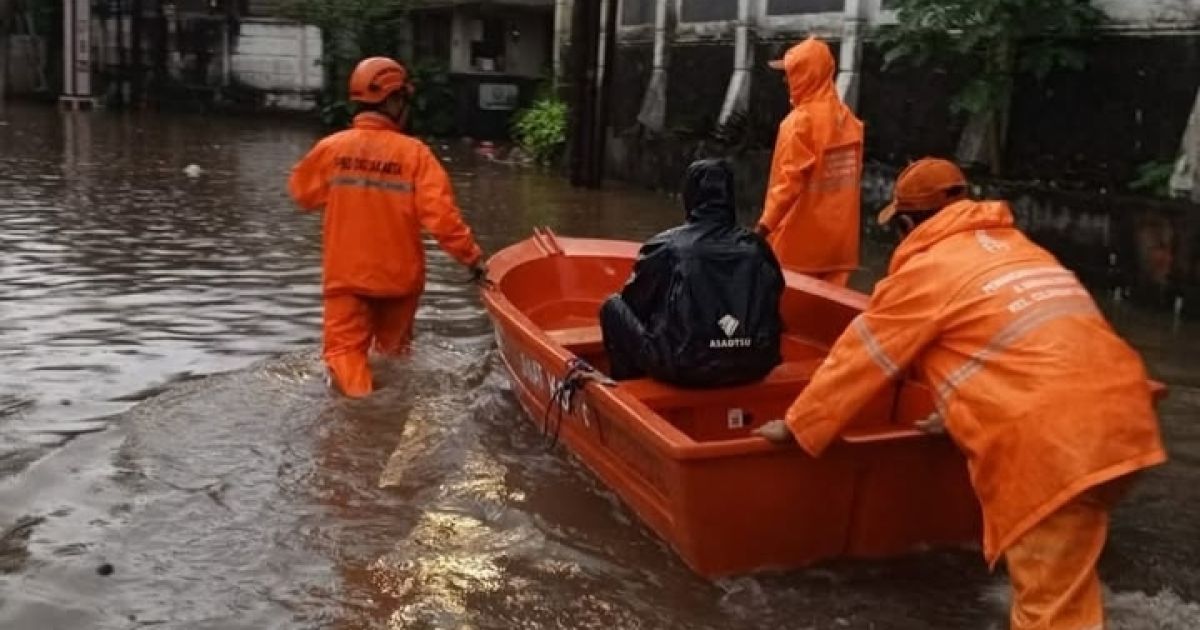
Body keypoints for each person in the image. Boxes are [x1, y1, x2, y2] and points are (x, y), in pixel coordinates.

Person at [754, 158, 1167, 629]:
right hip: (1127, 420)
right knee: (1067, 567)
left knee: (1052, 613)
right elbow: (1019, 351)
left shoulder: (928, 271)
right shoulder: (1021, 251)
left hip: (1053, 445)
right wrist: (957, 413)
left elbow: (861, 359)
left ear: (907, 224)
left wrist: (798, 425)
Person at [288, 57, 486, 398]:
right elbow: (443, 218)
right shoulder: (416, 155)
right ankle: (387, 415)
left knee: (344, 354)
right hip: (400, 280)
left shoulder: (331, 149)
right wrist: (473, 259)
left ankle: (362, 410)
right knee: (394, 358)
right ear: (393, 101)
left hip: (347, 278)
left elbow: (302, 194)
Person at [599, 158, 784, 388]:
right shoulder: (758, 248)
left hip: (687, 368)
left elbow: (634, 303)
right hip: (756, 365)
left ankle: (626, 388)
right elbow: (774, 298)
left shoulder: (666, 246)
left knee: (612, 307)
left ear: (689, 196)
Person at [756, 37, 864, 287]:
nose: (785, 81)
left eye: (791, 73)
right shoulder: (849, 120)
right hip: (839, 249)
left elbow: (788, 184)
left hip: (798, 248)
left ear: (805, 76)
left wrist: (762, 229)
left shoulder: (799, 123)